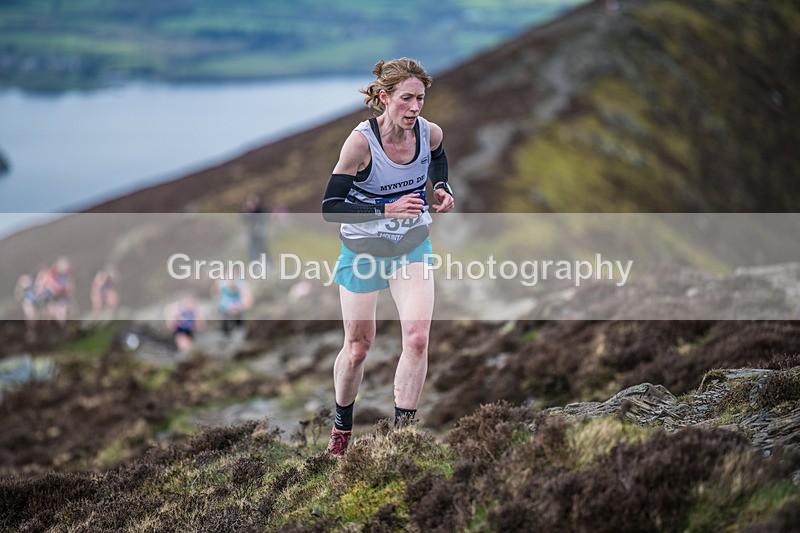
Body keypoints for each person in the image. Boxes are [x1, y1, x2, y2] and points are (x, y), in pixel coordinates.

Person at [320, 58, 454, 456]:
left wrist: (443, 186)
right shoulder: (361, 143)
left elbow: (439, 156)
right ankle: (342, 433)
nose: (415, 108)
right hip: (363, 251)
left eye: (421, 99)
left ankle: (401, 441)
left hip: (411, 246)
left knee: (416, 339)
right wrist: (386, 209)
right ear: (384, 97)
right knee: (359, 346)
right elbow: (330, 207)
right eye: (406, 99)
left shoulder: (428, 133)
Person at [212, 269, 253, 336]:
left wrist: (241, 306)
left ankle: (240, 330)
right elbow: (217, 296)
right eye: (230, 278)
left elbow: (248, 298)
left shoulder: (241, 283)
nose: (232, 280)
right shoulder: (222, 284)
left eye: (233, 278)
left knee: (239, 318)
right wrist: (224, 307)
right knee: (224, 318)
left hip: (237, 303)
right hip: (225, 304)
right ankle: (225, 333)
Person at [41, 256, 76, 326]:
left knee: (64, 310)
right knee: (53, 312)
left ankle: (63, 325)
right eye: (64, 266)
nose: (65, 268)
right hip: (51, 295)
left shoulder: (67, 273)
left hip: (61, 295)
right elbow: (51, 286)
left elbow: (70, 285)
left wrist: (68, 289)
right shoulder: (52, 273)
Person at [241, 193, 272, 266]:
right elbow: (244, 220)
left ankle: (268, 264)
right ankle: (255, 266)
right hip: (251, 234)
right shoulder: (246, 211)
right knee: (252, 250)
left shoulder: (260, 210)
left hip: (260, 233)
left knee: (263, 248)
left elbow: (264, 219)